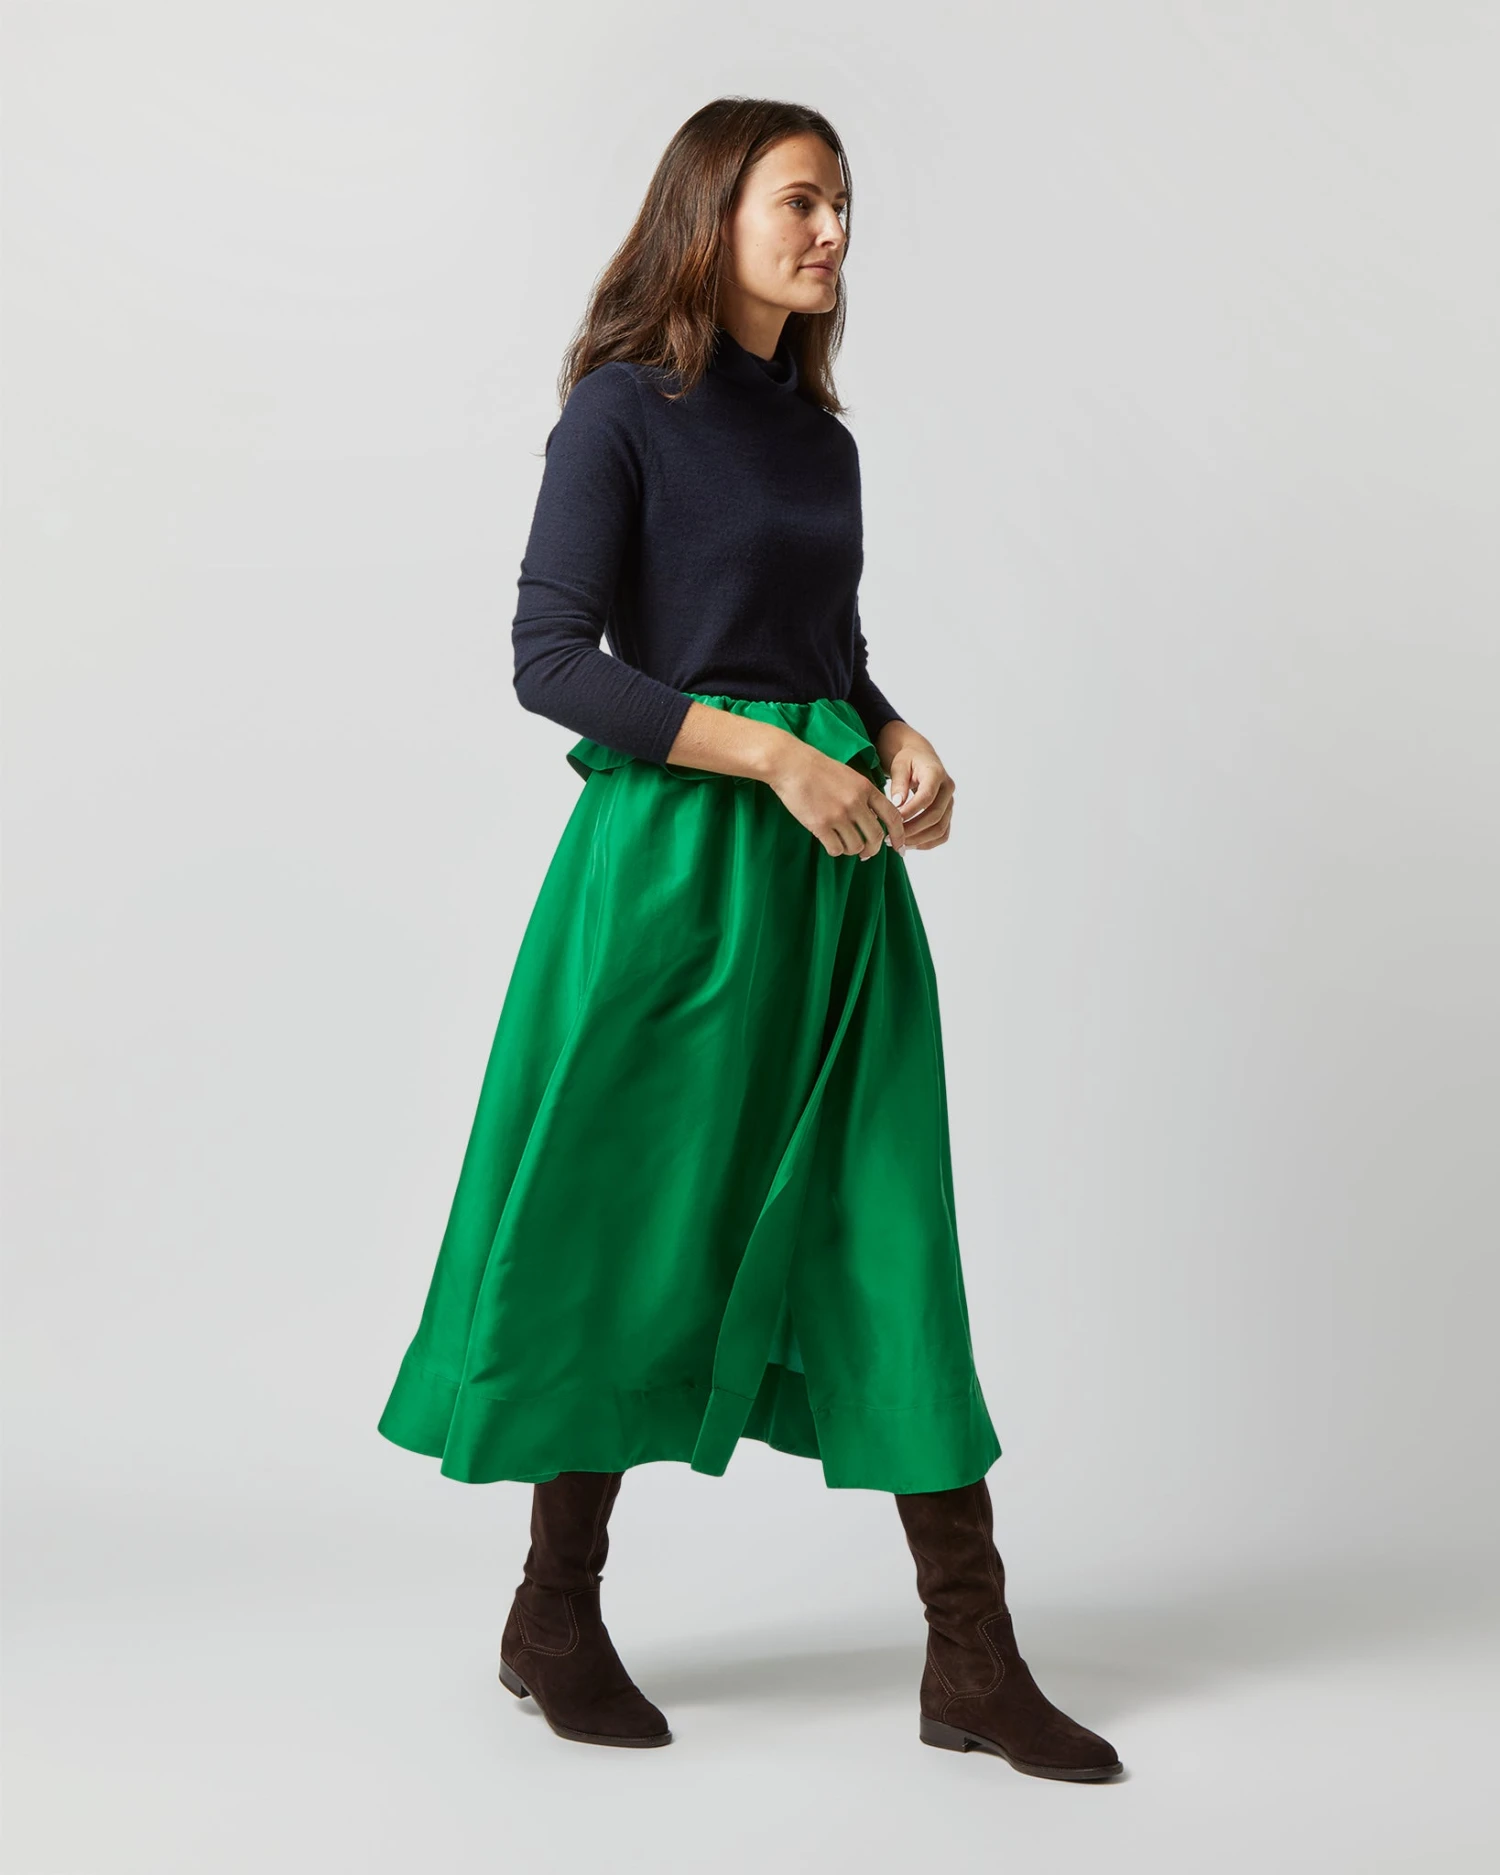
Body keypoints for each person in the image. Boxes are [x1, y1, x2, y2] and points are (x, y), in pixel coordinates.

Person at [377, 97, 1123, 1783]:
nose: (835, 230)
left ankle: (973, 1653)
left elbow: (821, 648)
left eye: (845, 202)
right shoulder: (620, 413)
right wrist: (776, 757)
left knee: (889, 1231)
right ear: (711, 213)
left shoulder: (819, 440)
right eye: (801, 200)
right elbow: (552, 659)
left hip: (834, 885)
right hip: (671, 884)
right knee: (627, 1230)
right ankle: (553, 1612)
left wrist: (892, 731)